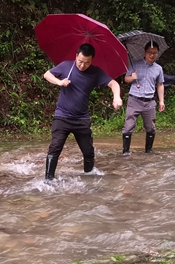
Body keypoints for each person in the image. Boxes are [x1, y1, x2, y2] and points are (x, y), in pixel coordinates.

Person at [43, 43, 123, 180]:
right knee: (55, 148)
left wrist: (116, 97)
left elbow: (113, 83)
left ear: (92, 60)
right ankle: (48, 180)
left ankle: (89, 179)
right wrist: (59, 82)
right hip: (62, 117)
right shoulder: (66, 66)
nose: (82, 65)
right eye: (80, 61)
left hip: (81, 119)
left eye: (87, 63)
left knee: (88, 151)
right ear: (76, 56)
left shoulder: (95, 72)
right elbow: (47, 74)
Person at [121, 42, 165, 155]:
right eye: (149, 52)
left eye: (154, 53)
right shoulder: (135, 64)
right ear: (145, 52)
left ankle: (148, 150)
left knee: (151, 128)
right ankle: (125, 151)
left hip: (149, 101)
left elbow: (160, 84)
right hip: (134, 99)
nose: (152, 55)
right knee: (128, 126)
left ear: (157, 53)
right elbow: (126, 79)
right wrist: (132, 77)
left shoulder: (158, 68)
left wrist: (161, 101)